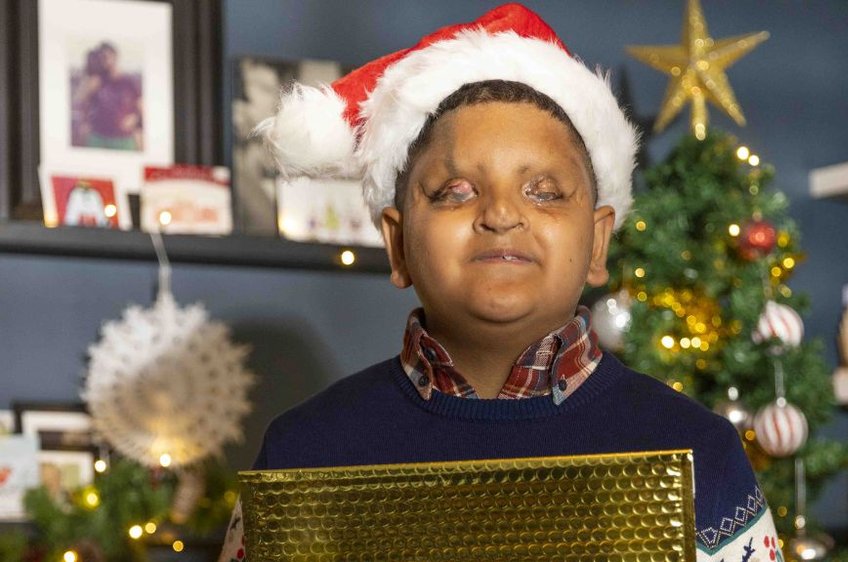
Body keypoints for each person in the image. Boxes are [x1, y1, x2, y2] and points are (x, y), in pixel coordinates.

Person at [219, 5, 778, 561]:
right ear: (397, 245)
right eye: (455, 192)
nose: (501, 214)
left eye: (544, 191)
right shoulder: (302, 454)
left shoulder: (699, 452)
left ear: (598, 243)